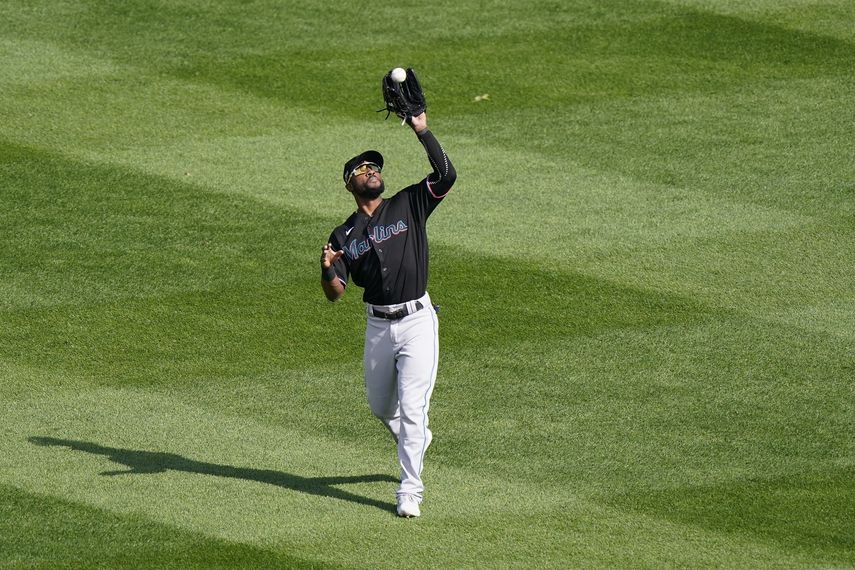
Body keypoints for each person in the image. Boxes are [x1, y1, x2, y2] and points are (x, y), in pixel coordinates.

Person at [320, 112, 456, 518]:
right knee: (382, 407)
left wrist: (421, 127)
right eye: (362, 168)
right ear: (350, 184)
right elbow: (335, 294)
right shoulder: (343, 236)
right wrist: (327, 268)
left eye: (375, 166)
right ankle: (416, 439)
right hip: (378, 325)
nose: (371, 171)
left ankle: (410, 489)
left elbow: (447, 175)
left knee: (413, 408)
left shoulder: (408, 203)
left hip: (417, 320)